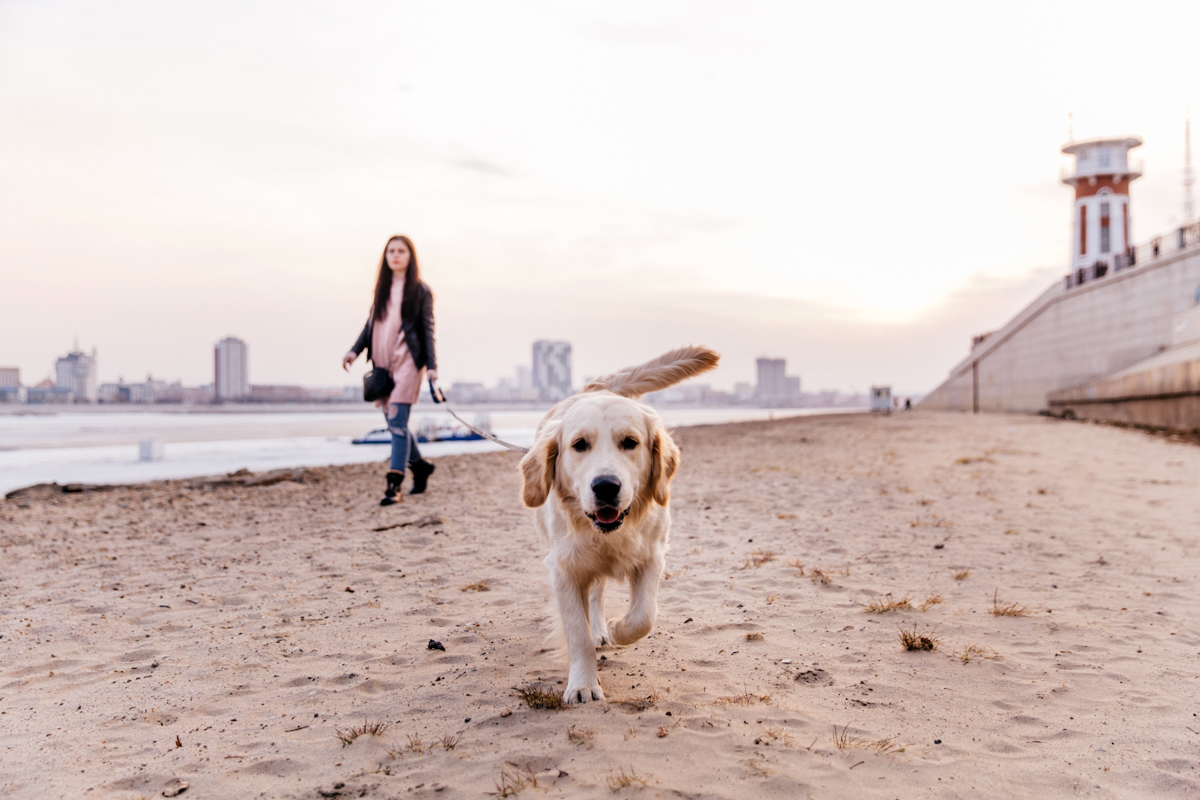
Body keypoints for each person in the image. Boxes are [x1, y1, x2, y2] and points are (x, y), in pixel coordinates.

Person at [343, 235, 438, 505]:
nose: (395, 255)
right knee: (396, 423)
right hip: (382, 365)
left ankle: (393, 486)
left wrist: (432, 367)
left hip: (408, 361)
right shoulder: (382, 290)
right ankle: (419, 466)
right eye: (391, 251)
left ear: (410, 256)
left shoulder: (420, 291)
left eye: (401, 251)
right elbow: (370, 326)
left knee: (396, 421)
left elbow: (427, 329)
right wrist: (354, 351)